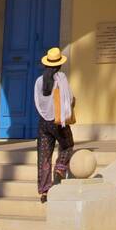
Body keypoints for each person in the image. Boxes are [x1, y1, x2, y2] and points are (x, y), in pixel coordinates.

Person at [34, 46, 75, 201]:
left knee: (44, 157)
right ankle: (59, 168)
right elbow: (69, 98)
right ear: (59, 64)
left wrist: (45, 114)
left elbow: (37, 102)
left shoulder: (39, 81)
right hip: (58, 121)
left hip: (43, 122)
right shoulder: (61, 78)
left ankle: (44, 191)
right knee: (68, 145)